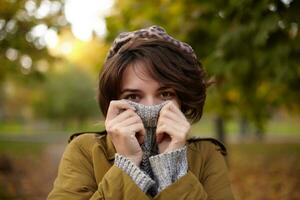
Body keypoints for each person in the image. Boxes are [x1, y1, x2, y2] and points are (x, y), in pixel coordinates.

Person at [47, 25, 234, 199]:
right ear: (115, 103)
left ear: (182, 100)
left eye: (165, 94)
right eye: (133, 97)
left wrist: (174, 170)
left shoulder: (208, 155)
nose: (151, 106)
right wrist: (127, 165)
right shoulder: (85, 151)